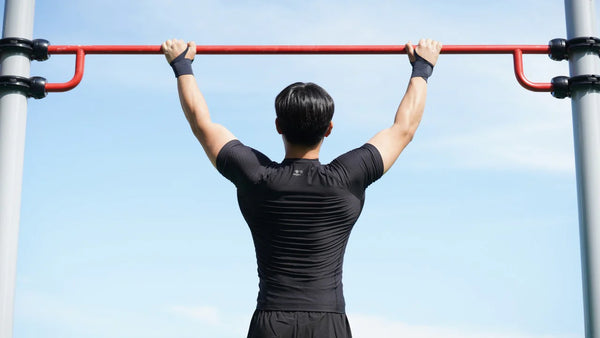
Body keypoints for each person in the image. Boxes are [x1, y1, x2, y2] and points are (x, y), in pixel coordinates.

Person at [162, 38, 442, 338]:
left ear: (278, 125)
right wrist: (422, 68)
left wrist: (182, 65)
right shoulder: (346, 178)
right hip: (327, 323)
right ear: (329, 129)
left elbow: (201, 124)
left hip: (271, 323)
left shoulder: (256, 175)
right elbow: (403, 129)